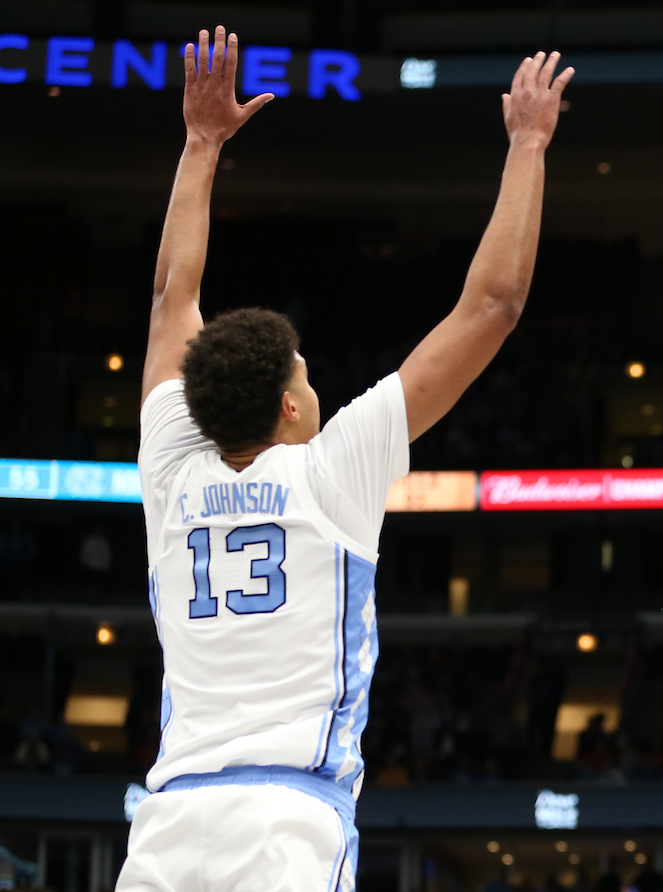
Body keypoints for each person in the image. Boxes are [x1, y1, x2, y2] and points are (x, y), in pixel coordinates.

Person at [117, 25, 572, 891]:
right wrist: (528, 147)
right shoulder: (331, 473)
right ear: (291, 408)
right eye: (307, 374)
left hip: (168, 823)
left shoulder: (171, 467)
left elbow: (173, 296)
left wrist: (200, 143)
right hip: (287, 821)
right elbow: (494, 306)